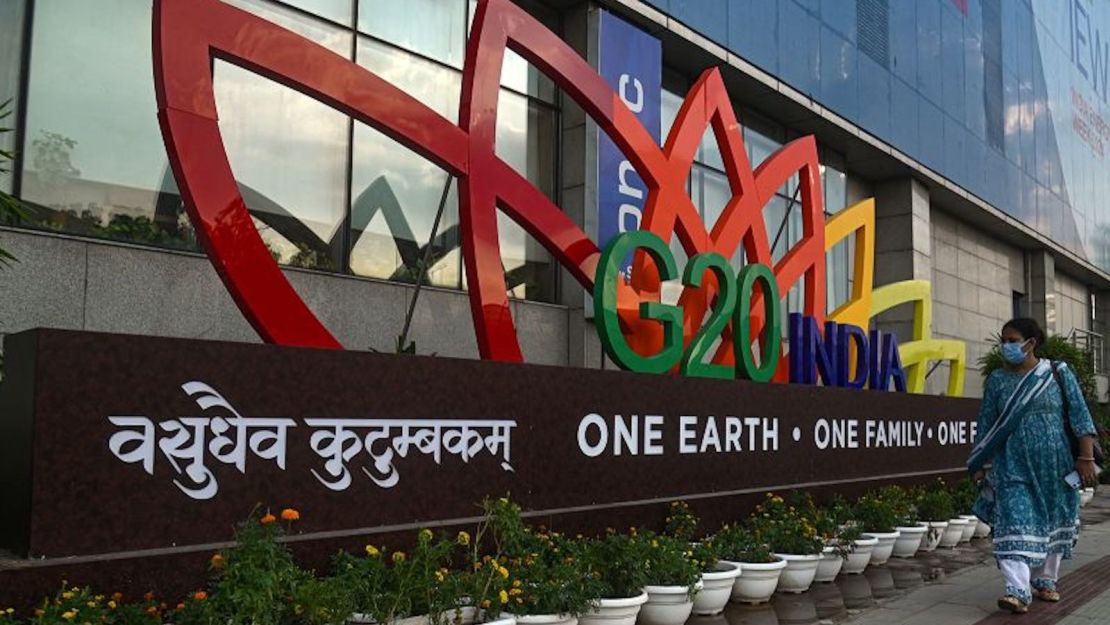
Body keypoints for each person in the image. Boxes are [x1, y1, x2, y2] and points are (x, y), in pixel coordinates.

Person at [967, 318, 1099, 614]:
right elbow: (986, 423)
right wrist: (978, 461)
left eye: (1012, 339)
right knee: (1013, 520)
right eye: (1004, 340)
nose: (1006, 346)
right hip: (1011, 465)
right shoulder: (999, 381)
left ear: (1031, 343)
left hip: (1056, 465)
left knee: (1052, 521)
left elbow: (1079, 415)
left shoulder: (1057, 373)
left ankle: (1045, 581)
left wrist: (1086, 458)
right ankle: (1017, 589)